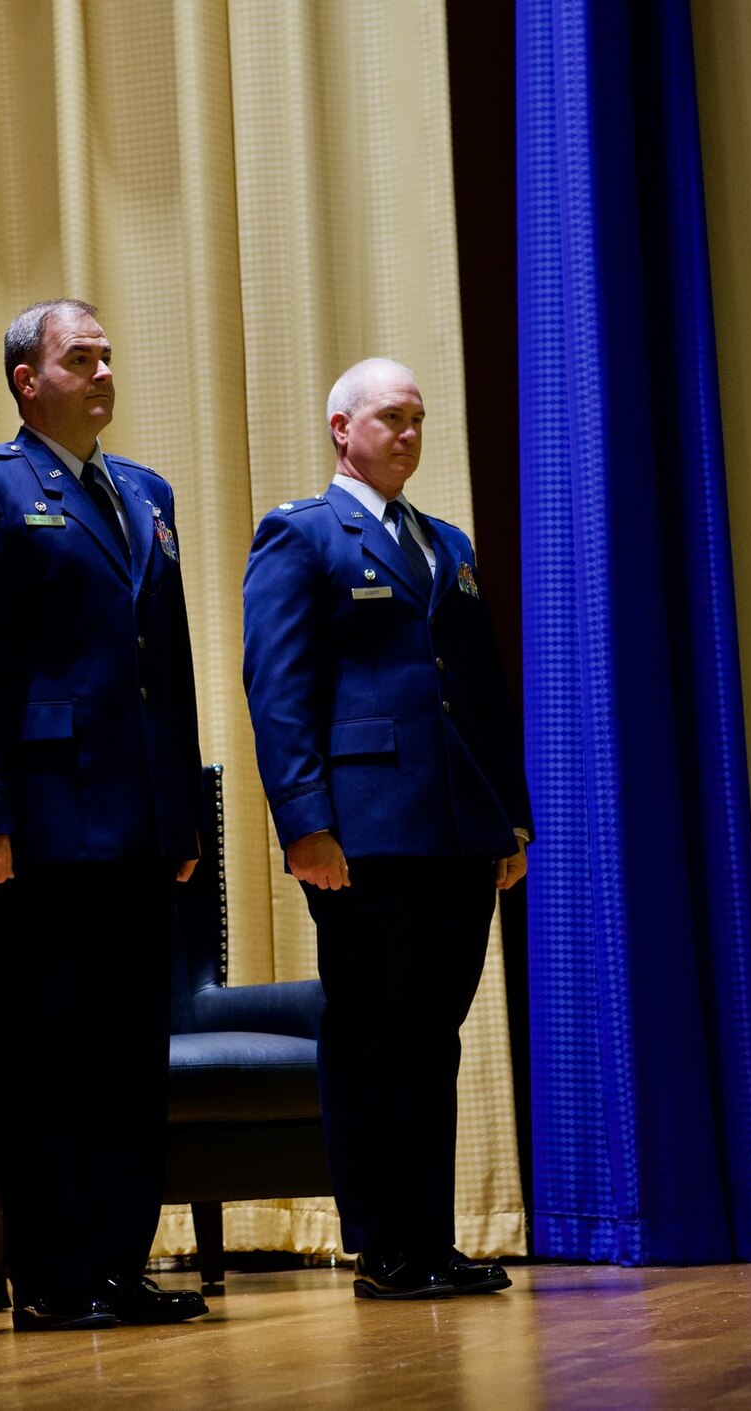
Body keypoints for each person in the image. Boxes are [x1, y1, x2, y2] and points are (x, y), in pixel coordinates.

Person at [0, 300, 209, 1332]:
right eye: (78, 357)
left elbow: (164, 669)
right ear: (25, 381)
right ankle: (50, 1273)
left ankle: (118, 1266)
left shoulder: (142, 492)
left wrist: (181, 815)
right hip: (36, 823)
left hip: (135, 823)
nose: (101, 371)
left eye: (107, 355)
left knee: (131, 1056)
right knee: (40, 1056)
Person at [241, 357, 531, 1299]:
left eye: (418, 420)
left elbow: (482, 694)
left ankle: (432, 1239)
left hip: (455, 830)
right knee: (372, 1034)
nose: (408, 434)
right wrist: (304, 825)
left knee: (434, 1036)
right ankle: (383, 1244)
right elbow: (279, 692)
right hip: (361, 835)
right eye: (391, 418)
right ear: (342, 428)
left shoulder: (446, 542)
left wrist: (510, 821)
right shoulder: (302, 534)